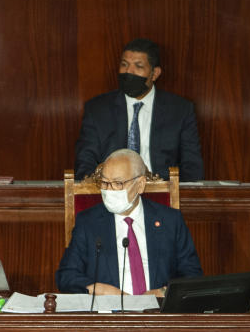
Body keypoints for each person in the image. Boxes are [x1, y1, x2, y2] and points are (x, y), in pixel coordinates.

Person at [56, 149, 203, 296]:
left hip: (157, 313)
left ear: (140, 184)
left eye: (118, 183)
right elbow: (66, 276)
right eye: (105, 183)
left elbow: (192, 275)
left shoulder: (170, 221)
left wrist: (164, 292)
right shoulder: (88, 222)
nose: (109, 190)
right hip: (108, 313)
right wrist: (97, 289)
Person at [74, 38, 204, 182]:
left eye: (138, 66)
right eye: (124, 65)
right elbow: (85, 162)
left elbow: (192, 167)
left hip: (161, 194)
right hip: (111, 193)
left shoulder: (180, 110)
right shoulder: (97, 109)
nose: (129, 71)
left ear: (154, 74)